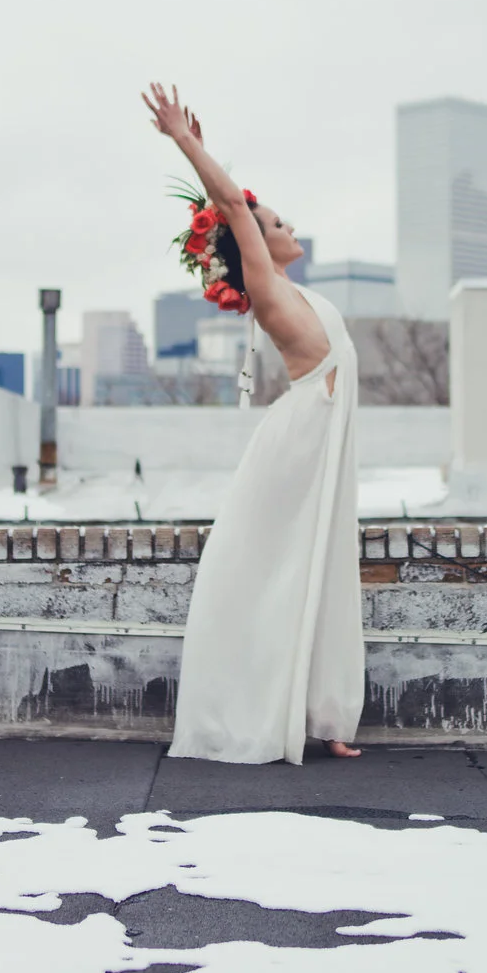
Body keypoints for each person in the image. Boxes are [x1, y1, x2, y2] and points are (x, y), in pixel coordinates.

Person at [142, 81, 364, 763]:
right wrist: (186, 142)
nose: (288, 227)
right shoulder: (268, 289)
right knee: (278, 573)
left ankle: (322, 715)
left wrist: (201, 152)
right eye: (277, 225)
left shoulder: (297, 291)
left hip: (316, 438)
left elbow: (236, 208)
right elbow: (235, 205)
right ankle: (254, 715)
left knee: (320, 571)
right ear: (254, 246)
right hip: (299, 443)